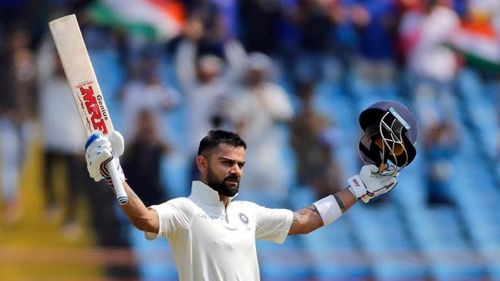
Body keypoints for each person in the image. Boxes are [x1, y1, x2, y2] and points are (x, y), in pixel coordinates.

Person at [83, 101, 417, 281]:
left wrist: (357, 189)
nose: (235, 171)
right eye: (226, 162)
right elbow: (144, 218)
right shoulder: (185, 210)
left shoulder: (248, 214)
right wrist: (113, 174)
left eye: (240, 164)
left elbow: (306, 220)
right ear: (201, 164)